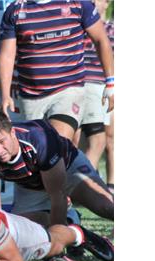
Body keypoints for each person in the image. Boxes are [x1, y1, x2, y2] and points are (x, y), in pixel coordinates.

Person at [0, 0, 114, 142]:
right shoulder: (15, 10)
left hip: (68, 90)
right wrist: (5, 95)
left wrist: (110, 82)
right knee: (38, 153)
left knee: (57, 145)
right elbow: (7, 55)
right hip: (31, 96)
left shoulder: (78, 4)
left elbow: (101, 40)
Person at [0, 111, 113, 227]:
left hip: (68, 167)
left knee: (106, 207)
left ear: (12, 132)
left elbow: (58, 195)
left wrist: (57, 239)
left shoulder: (39, 138)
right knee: (17, 227)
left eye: (1, 142)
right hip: (30, 185)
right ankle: (71, 220)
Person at [72, 0, 114, 172]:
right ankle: (82, 185)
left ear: (107, 3)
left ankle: (104, 187)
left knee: (105, 140)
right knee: (97, 141)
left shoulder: (112, 29)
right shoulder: (80, 26)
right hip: (87, 85)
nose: (93, 2)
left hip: (101, 86)